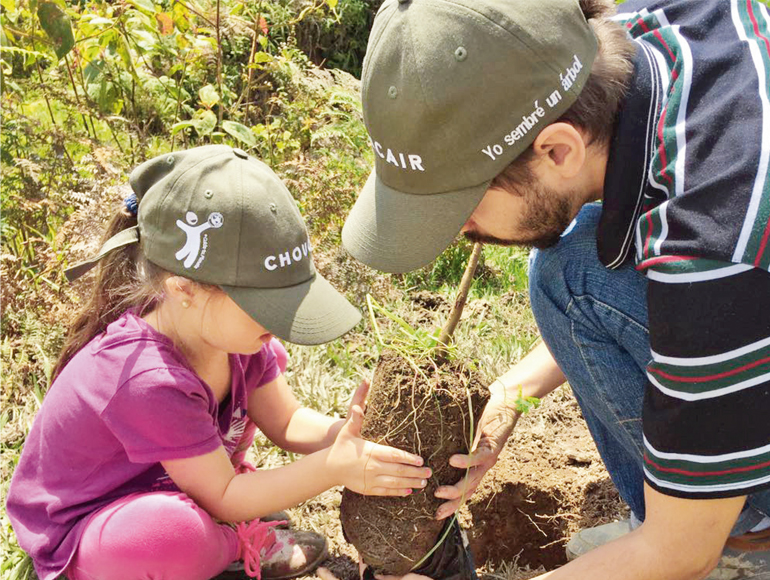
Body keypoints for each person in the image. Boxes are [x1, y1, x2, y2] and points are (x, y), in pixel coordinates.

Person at [340, 0, 770, 578]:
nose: (459, 232)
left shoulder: (712, 255)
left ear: (559, 150)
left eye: (461, 208)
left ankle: (746, 527)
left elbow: (679, 552)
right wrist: (509, 398)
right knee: (565, 266)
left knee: (690, 538)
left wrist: (682, 535)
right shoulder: (650, 27)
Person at [6, 145, 433, 580]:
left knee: (202, 514)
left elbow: (286, 422)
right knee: (174, 536)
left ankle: (229, 529)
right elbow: (225, 492)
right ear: (184, 290)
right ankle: (234, 541)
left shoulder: (238, 339)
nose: (279, 323)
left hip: (193, 485)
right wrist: (332, 467)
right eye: (264, 304)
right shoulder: (144, 377)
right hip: (91, 532)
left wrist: (343, 435)